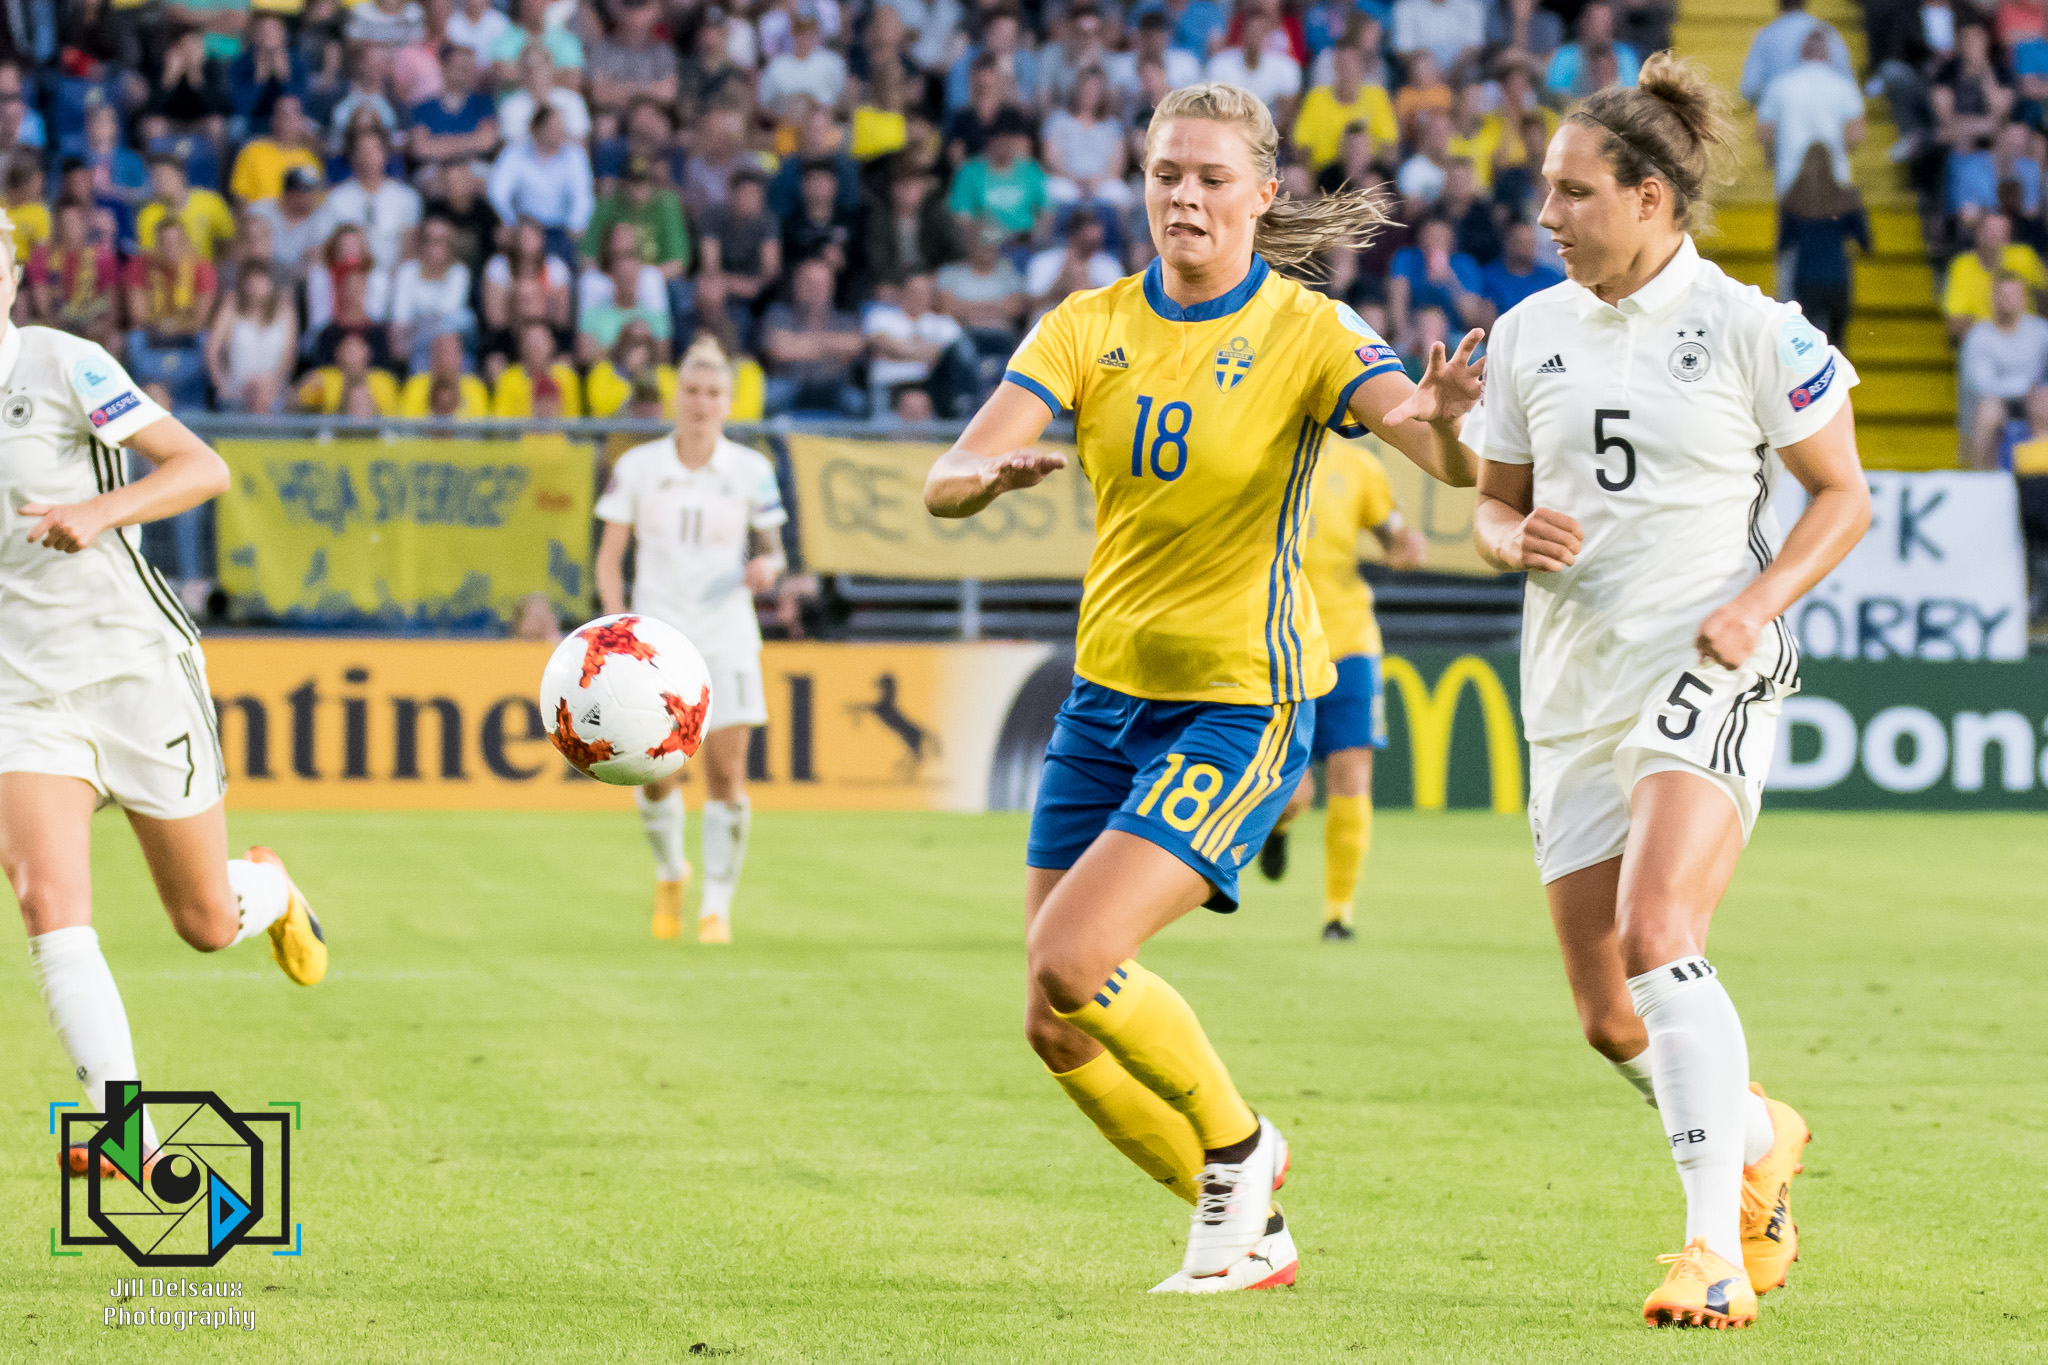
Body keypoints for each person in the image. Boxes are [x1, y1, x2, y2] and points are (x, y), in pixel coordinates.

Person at [921, 81, 1478, 1294]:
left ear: (1261, 194)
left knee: (1073, 954)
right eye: (1165, 173)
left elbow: (1440, 455)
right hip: (1101, 703)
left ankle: (1240, 1150)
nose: (1183, 196)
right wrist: (980, 480)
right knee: (1053, 1017)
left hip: (1240, 702)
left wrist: (1441, 422)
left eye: (1210, 178)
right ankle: (1245, 1225)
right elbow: (946, 474)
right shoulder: (1085, 324)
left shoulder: (1308, 331)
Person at [1459, 54, 1869, 1327]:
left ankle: (1711, 1252)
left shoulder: (1754, 327)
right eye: (1545, 191)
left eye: (1572, 192)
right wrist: (1503, 539)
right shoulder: (1527, 334)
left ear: (1648, 197)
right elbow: (1490, 504)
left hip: (1705, 665)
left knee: (1657, 935)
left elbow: (1842, 497)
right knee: (1606, 1017)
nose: (1546, 215)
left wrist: (1754, 604)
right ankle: (1756, 1133)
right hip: (1568, 690)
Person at [0, 207, 326, 1185]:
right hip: (23, 692)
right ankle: (123, 1130)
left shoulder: (64, 364)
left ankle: (270, 889)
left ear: (10, 279)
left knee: (204, 923)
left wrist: (98, 511)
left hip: (135, 668)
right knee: (47, 901)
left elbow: (202, 466)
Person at [594, 337, 787, 943]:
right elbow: (609, 559)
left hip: (726, 636)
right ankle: (671, 868)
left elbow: (775, 552)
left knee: (726, 773)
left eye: (713, 393)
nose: (702, 403)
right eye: (693, 391)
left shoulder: (751, 470)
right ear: (676, 396)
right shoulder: (639, 467)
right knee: (654, 771)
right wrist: (616, 629)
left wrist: (767, 569)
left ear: (729, 402)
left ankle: (716, 908)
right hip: (656, 641)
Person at [1256, 440, 1425, 938]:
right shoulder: (1258, 449)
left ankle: (1338, 913)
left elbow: (1392, 536)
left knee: (1351, 773)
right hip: (1279, 642)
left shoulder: (1358, 465)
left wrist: (1403, 549)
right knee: (1292, 792)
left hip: (1349, 639)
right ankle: (1280, 825)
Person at [1756, 29, 1866, 201]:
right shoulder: (1844, 86)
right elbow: (1855, 135)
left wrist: (1773, 160)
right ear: (1828, 53)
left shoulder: (1779, 85)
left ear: (1801, 52)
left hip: (1789, 179)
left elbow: (1765, 134)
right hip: (1834, 178)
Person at [1777, 143, 1869, 346]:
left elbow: (1784, 243)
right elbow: (1864, 239)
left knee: (1808, 343)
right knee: (1837, 341)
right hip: (1837, 277)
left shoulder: (1793, 199)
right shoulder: (1845, 199)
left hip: (1806, 277)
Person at [1960, 273, 2048, 467]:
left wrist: (2040, 392)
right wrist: (2027, 388)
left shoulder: (2041, 331)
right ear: (1993, 298)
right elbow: (1981, 384)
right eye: (2003, 295)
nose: (2009, 301)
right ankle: (1983, 477)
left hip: (2033, 400)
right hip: (1994, 402)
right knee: (1988, 411)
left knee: (2045, 404)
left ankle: (2040, 474)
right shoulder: (1979, 335)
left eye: (2014, 295)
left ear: (2024, 298)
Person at [205, 262, 297, 413]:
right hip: (237, 390)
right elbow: (212, 352)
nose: (256, 287)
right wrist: (221, 385)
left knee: (265, 393)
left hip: (272, 390)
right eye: (252, 282)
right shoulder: (231, 309)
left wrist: (275, 384)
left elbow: (289, 356)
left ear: (270, 284)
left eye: (261, 281)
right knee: (257, 391)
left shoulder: (285, 312)